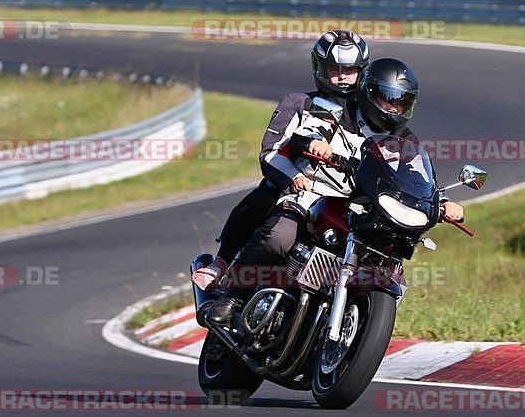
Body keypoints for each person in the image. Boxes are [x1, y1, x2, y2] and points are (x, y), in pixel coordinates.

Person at [206, 58, 464, 324]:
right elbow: (306, 133)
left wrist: (442, 202)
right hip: (313, 195)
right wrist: (313, 142)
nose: (394, 108)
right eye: (388, 99)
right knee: (278, 238)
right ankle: (233, 296)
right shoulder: (335, 111)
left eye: (401, 102)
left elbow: (414, 176)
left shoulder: (404, 139)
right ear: (370, 93)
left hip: (358, 208)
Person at [192, 31, 369, 290]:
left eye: (350, 69)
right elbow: (270, 153)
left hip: (342, 204)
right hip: (295, 192)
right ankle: (225, 270)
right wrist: (294, 178)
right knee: (272, 223)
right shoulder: (299, 103)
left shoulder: (369, 118)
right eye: (334, 69)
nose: (342, 76)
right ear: (319, 68)